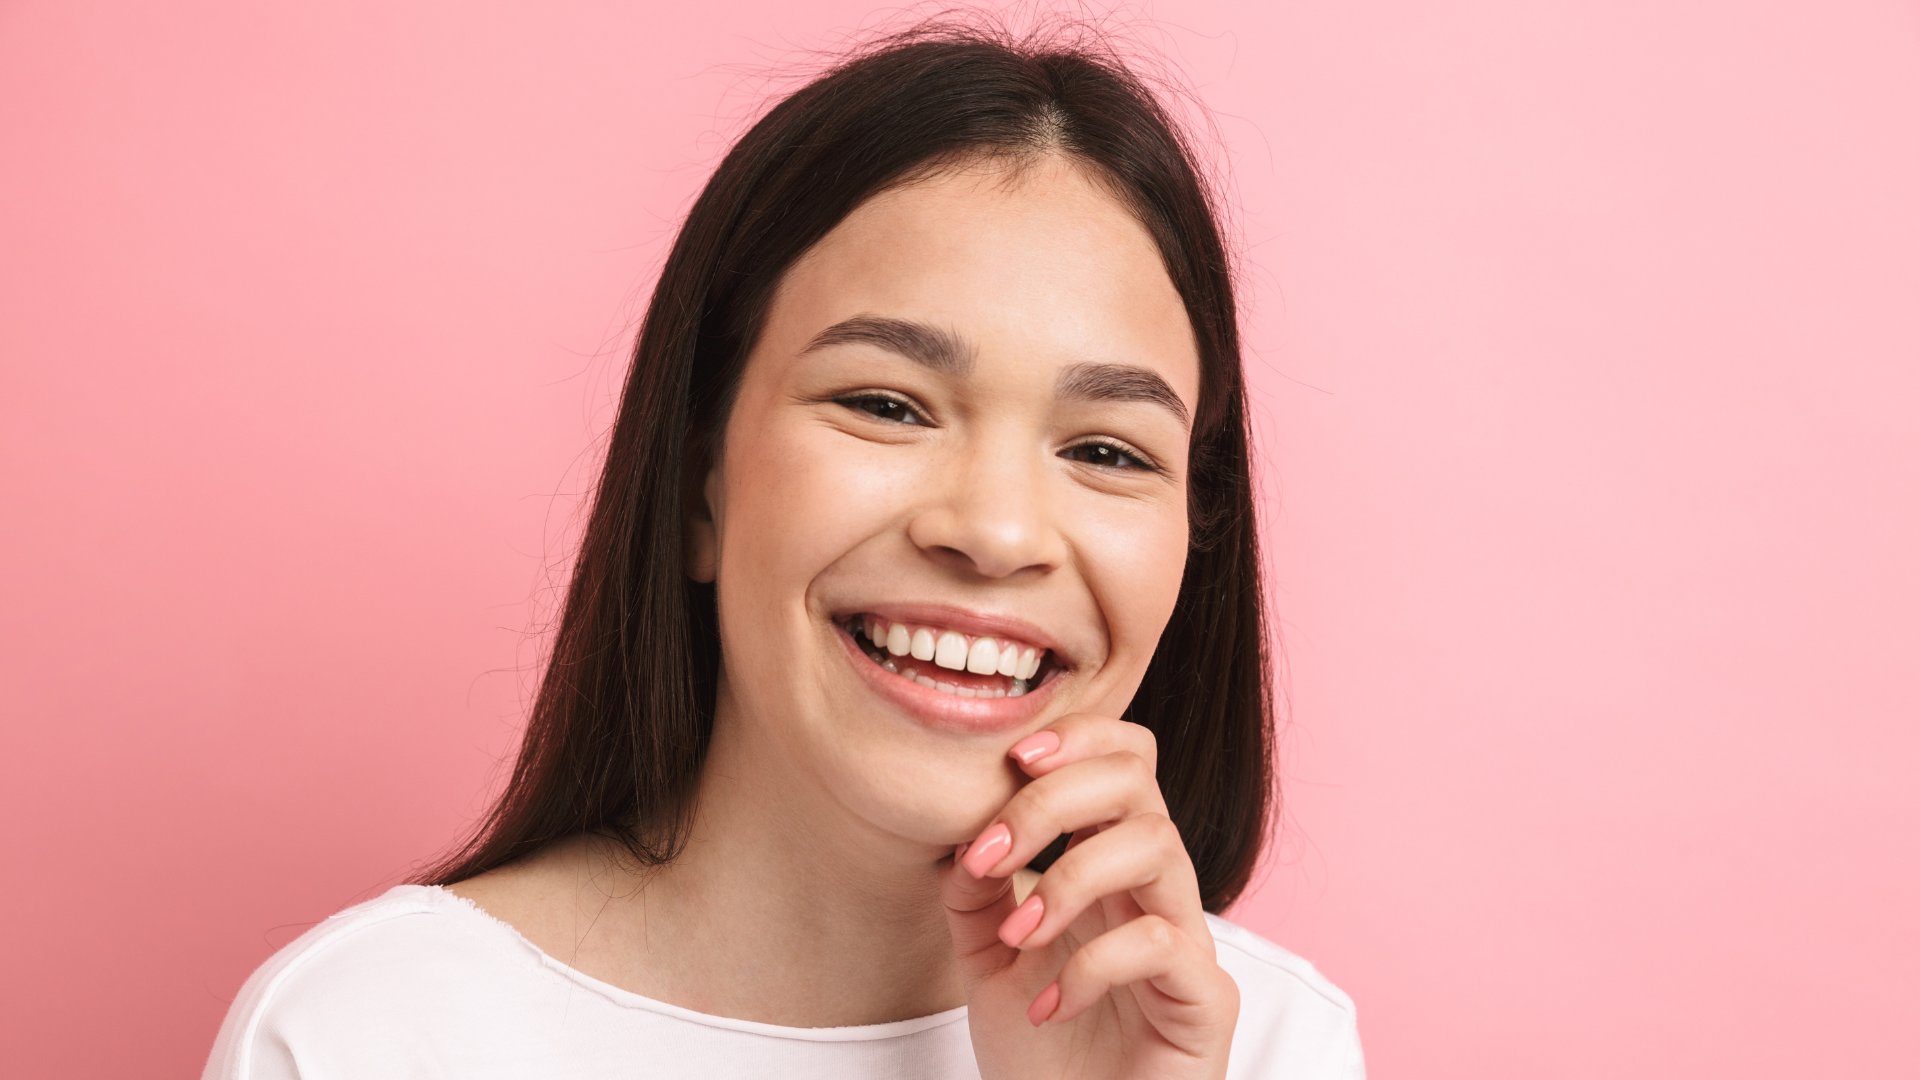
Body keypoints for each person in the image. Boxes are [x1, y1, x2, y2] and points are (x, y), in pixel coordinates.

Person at [202, 16, 1365, 1080]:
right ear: (701, 481)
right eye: (887, 404)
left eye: (1109, 452)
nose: (999, 533)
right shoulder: (368, 1035)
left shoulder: (1252, 1044)